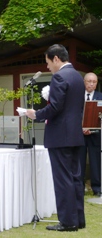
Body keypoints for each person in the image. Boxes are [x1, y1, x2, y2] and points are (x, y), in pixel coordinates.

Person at [25, 44, 85, 232]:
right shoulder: (77, 76)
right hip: (74, 135)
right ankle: (78, 219)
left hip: (60, 136)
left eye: (48, 62)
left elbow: (56, 107)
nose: (48, 67)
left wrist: (36, 114)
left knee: (63, 180)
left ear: (56, 59)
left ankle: (67, 222)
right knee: (75, 178)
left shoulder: (59, 76)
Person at [81, 72, 102, 196]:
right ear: (84, 82)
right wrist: (81, 128)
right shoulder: (78, 97)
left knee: (95, 161)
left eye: (94, 82)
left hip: (95, 134)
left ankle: (97, 188)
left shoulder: (100, 97)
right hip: (80, 133)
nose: (91, 84)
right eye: (89, 81)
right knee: (80, 161)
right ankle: (80, 187)